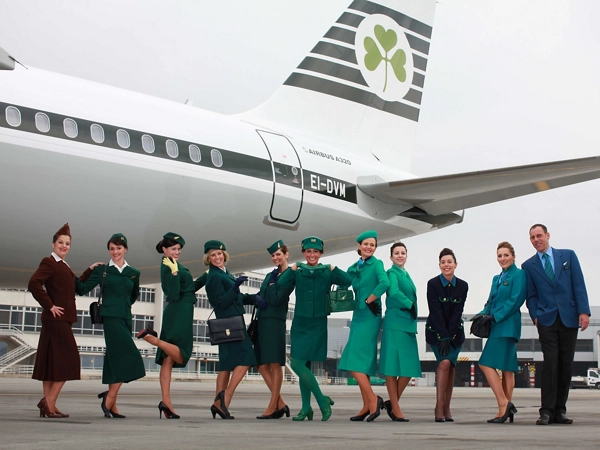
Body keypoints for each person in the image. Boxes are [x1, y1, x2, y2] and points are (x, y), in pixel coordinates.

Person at [28, 223, 101, 418]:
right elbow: (34, 283)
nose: (64, 246)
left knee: (50, 363)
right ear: (53, 244)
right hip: (56, 319)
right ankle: (48, 402)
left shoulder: (63, 265)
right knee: (70, 360)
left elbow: (77, 286)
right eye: (60, 242)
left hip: (59, 320)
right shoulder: (49, 262)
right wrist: (49, 305)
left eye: (67, 243)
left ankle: (49, 406)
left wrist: (89, 270)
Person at [522, 224, 590, 425]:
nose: (536, 240)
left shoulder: (568, 256)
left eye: (539, 236)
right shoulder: (528, 266)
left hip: (569, 317)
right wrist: (535, 316)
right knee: (550, 363)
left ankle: (560, 410)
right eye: (532, 237)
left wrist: (583, 311)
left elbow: (579, 284)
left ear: (547, 235)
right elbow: (531, 295)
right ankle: (546, 411)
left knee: (565, 365)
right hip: (546, 319)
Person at [278, 236, 352, 421]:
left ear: (321, 253)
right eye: (309, 251)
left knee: (306, 365)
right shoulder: (297, 271)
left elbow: (347, 280)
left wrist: (334, 268)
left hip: (318, 323)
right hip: (301, 324)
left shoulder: (327, 272)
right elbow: (280, 283)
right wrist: (292, 268)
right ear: (304, 253)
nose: (312, 255)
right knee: (297, 364)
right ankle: (321, 400)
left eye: (316, 251)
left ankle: (305, 409)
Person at [137, 232, 207, 419]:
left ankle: (166, 402)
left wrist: (205, 276)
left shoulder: (174, 264)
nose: (177, 252)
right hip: (178, 311)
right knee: (182, 353)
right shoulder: (167, 266)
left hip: (182, 309)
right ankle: (152, 339)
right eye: (173, 249)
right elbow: (173, 293)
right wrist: (174, 272)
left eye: (178, 249)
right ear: (164, 249)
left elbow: (188, 289)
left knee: (169, 359)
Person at [77, 233, 145, 418]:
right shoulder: (103, 270)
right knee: (129, 356)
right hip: (111, 318)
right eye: (112, 249)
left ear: (125, 249)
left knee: (114, 359)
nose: (115, 252)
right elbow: (81, 289)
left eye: (119, 248)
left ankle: (113, 405)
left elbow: (134, 295)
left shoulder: (134, 273)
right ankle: (110, 396)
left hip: (126, 318)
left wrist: (125, 307)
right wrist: (88, 270)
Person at [204, 240, 267, 419]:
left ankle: (219, 405)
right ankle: (226, 397)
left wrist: (254, 298)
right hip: (229, 324)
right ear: (208, 259)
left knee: (225, 365)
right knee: (247, 358)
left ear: (224, 254)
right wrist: (234, 287)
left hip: (231, 322)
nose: (217, 257)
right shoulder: (214, 276)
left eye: (219, 254)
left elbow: (237, 298)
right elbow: (220, 302)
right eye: (213, 255)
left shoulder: (225, 272)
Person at [338, 230, 390, 422]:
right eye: (366, 244)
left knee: (352, 360)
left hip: (370, 315)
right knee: (362, 362)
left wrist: (371, 298)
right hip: (357, 316)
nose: (369, 247)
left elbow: (384, 283)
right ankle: (367, 405)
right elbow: (344, 282)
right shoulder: (354, 267)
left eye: (372, 245)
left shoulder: (377, 264)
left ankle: (373, 400)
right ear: (359, 246)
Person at [477, 241, 526, 423]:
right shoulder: (496, 278)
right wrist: (482, 314)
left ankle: (504, 404)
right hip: (497, 324)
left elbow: (516, 300)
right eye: (500, 256)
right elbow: (491, 301)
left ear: (513, 256)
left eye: (506, 255)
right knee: (506, 369)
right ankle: (503, 410)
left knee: (485, 363)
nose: (503, 259)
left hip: (507, 325)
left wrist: (495, 316)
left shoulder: (519, 275)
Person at [379, 242, 421, 422]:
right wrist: (409, 304)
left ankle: (392, 402)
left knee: (409, 367)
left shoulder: (406, 274)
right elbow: (394, 292)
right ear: (391, 257)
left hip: (407, 324)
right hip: (395, 322)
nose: (400, 255)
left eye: (403, 253)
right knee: (392, 367)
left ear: (407, 255)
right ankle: (395, 407)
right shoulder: (392, 273)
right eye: (396, 253)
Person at [425, 248, 468, 423]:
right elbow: (435, 312)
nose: (446, 265)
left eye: (449, 262)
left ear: (455, 264)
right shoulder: (433, 284)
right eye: (443, 262)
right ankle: (439, 406)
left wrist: (449, 337)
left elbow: (458, 311)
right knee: (443, 363)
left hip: (455, 334)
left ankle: (447, 406)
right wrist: (443, 337)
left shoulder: (463, 285)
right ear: (439, 265)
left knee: (451, 367)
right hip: (436, 332)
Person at [254, 240, 291, 419]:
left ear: (286, 255)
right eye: (273, 255)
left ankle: (272, 406)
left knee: (275, 364)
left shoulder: (289, 274)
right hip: (263, 321)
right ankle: (281, 403)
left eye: (278, 254)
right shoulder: (271, 275)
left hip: (275, 322)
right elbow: (262, 295)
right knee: (261, 365)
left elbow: (276, 298)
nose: (275, 258)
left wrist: (270, 288)